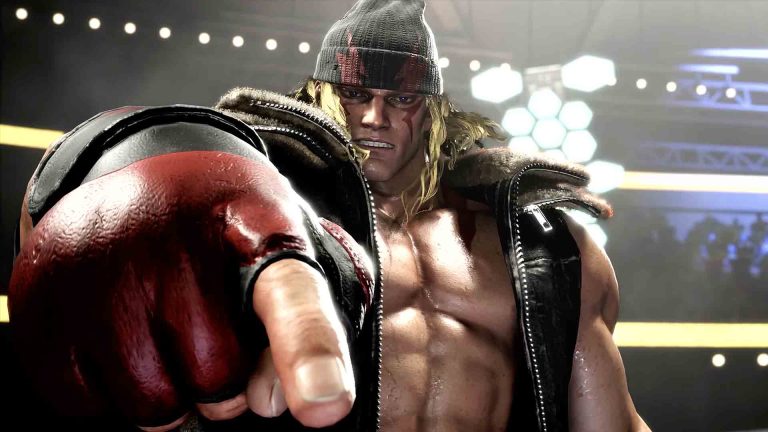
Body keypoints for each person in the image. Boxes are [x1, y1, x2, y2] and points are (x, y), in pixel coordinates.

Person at [10, 0, 649, 431]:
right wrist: (131, 176)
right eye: (355, 93)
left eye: (401, 98)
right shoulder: (264, 224)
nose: (375, 117)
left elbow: (611, 421)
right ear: (318, 95)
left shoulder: (544, 250)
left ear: (433, 110)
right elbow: (86, 192)